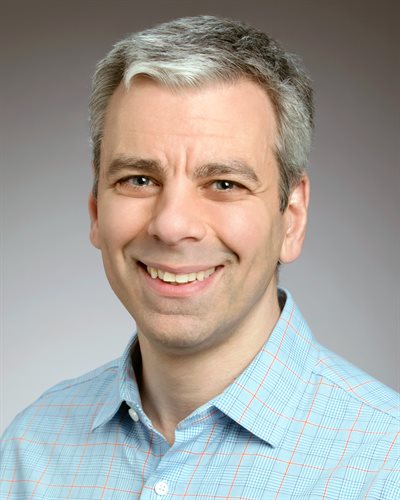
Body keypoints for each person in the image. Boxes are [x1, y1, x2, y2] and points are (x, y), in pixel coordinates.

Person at [1, 15, 399, 499]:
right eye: (138, 179)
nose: (172, 225)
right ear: (95, 209)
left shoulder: (385, 463)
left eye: (224, 184)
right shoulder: (29, 450)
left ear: (290, 218)